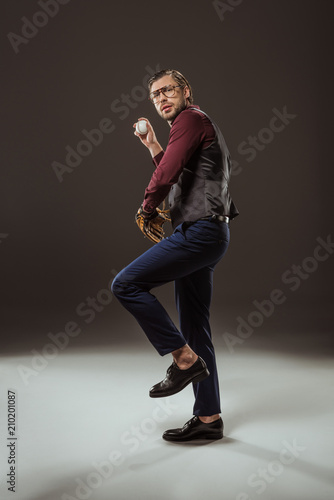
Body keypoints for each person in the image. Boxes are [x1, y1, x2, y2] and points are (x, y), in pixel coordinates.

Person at [112, 69, 239, 442]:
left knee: (126, 284)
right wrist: (152, 143)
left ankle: (182, 360)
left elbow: (167, 174)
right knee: (196, 327)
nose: (161, 98)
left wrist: (147, 206)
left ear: (186, 91)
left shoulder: (191, 118)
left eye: (168, 90)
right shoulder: (190, 127)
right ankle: (208, 419)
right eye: (155, 96)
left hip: (200, 232)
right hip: (207, 232)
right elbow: (178, 172)